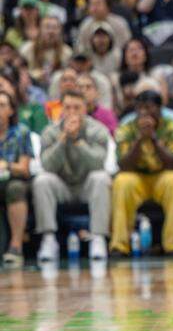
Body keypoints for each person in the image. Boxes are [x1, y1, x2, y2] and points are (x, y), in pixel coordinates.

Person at [33, 90, 113, 262]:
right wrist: (62, 140)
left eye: (77, 108)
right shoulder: (50, 132)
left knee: (101, 177)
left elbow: (98, 163)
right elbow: (47, 165)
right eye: (68, 107)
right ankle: (48, 239)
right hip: (62, 185)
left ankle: (98, 238)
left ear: (85, 109)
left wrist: (77, 141)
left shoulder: (98, 130)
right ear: (61, 109)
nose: (72, 112)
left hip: (87, 186)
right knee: (41, 181)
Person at [112, 90, 173, 255]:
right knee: (122, 181)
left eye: (148, 108)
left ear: (160, 109)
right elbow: (123, 165)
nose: (144, 113)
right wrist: (140, 139)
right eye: (139, 108)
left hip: (163, 176)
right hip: (137, 176)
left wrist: (153, 138)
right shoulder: (126, 128)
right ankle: (120, 245)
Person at [0, 91, 34, 266]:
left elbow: (24, 169)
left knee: (16, 188)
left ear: (11, 110)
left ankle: (16, 246)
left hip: (13, 180)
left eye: (2, 105)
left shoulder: (21, 132)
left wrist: (6, 165)